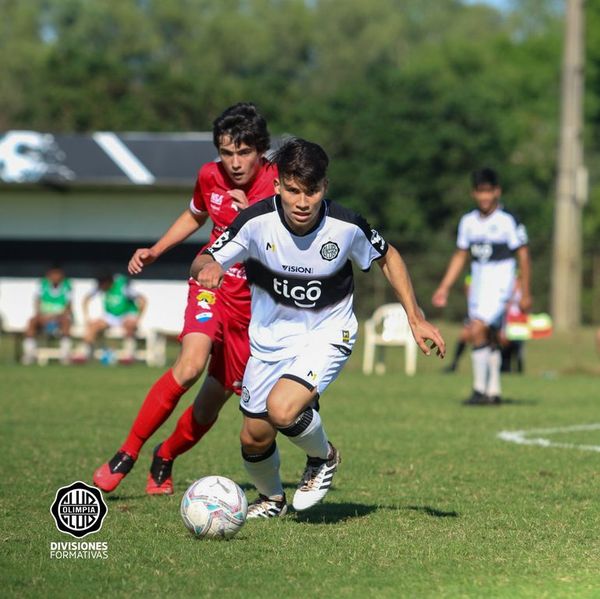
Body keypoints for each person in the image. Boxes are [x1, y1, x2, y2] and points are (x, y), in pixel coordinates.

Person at [191, 138, 446, 518]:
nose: (302, 201)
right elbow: (204, 259)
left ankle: (323, 456)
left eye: (311, 191)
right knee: (254, 437)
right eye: (292, 190)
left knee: (282, 409)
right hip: (269, 342)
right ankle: (273, 499)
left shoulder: (346, 225)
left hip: (328, 334)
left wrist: (415, 316)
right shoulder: (255, 221)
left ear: (324, 186)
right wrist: (208, 267)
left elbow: (388, 256)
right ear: (277, 185)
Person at [93, 102, 277, 495]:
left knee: (210, 404)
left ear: (261, 150)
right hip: (211, 285)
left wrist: (257, 218)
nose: (235, 162)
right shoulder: (209, 176)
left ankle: (166, 454)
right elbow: (195, 215)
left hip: (254, 309)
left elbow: (289, 247)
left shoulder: (278, 183)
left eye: (244, 152)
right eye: (227, 153)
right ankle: (126, 454)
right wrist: (156, 249)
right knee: (190, 365)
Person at [432, 167, 531, 405]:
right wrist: (444, 286)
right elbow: (460, 255)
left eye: (488, 191)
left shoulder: (508, 221)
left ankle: (478, 389)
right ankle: (494, 391)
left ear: (497, 191)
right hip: (479, 283)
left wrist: (525, 291)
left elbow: (524, 256)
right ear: (473, 193)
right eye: (480, 192)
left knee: (476, 329)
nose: (484, 197)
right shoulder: (468, 222)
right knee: (491, 335)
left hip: (501, 284)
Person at [77, 273, 147, 363]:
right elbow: (86, 298)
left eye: (102, 285)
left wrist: (138, 318)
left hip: (126, 315)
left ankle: (128, 355)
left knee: (129, 325)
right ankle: (85, 354)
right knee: (92, 326)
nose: (101, 288)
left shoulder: (123, 287)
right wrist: (86, 317)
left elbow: (143, 300)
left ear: (108, 282)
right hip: (110, 316)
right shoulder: (101, 286)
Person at [22, 265, 73, 365]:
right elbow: (37, 302)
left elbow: (68, 306)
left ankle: (65, 354)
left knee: (66, 321)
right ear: (49, 275)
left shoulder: (67, 286)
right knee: (32, 321)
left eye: (58, 274)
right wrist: (41, 314)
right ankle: (29, 353)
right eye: (53, 274)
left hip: (59, 317)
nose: (55, 277)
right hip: (44, 317)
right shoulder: (43, 284)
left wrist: (56, 316)